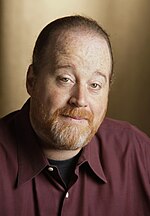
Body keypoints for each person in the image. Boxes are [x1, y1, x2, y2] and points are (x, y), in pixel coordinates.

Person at [0, 15, 150, 216]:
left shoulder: (138, 152)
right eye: (65, 79)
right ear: (31, 80)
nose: (80, 99)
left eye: (95, 85)